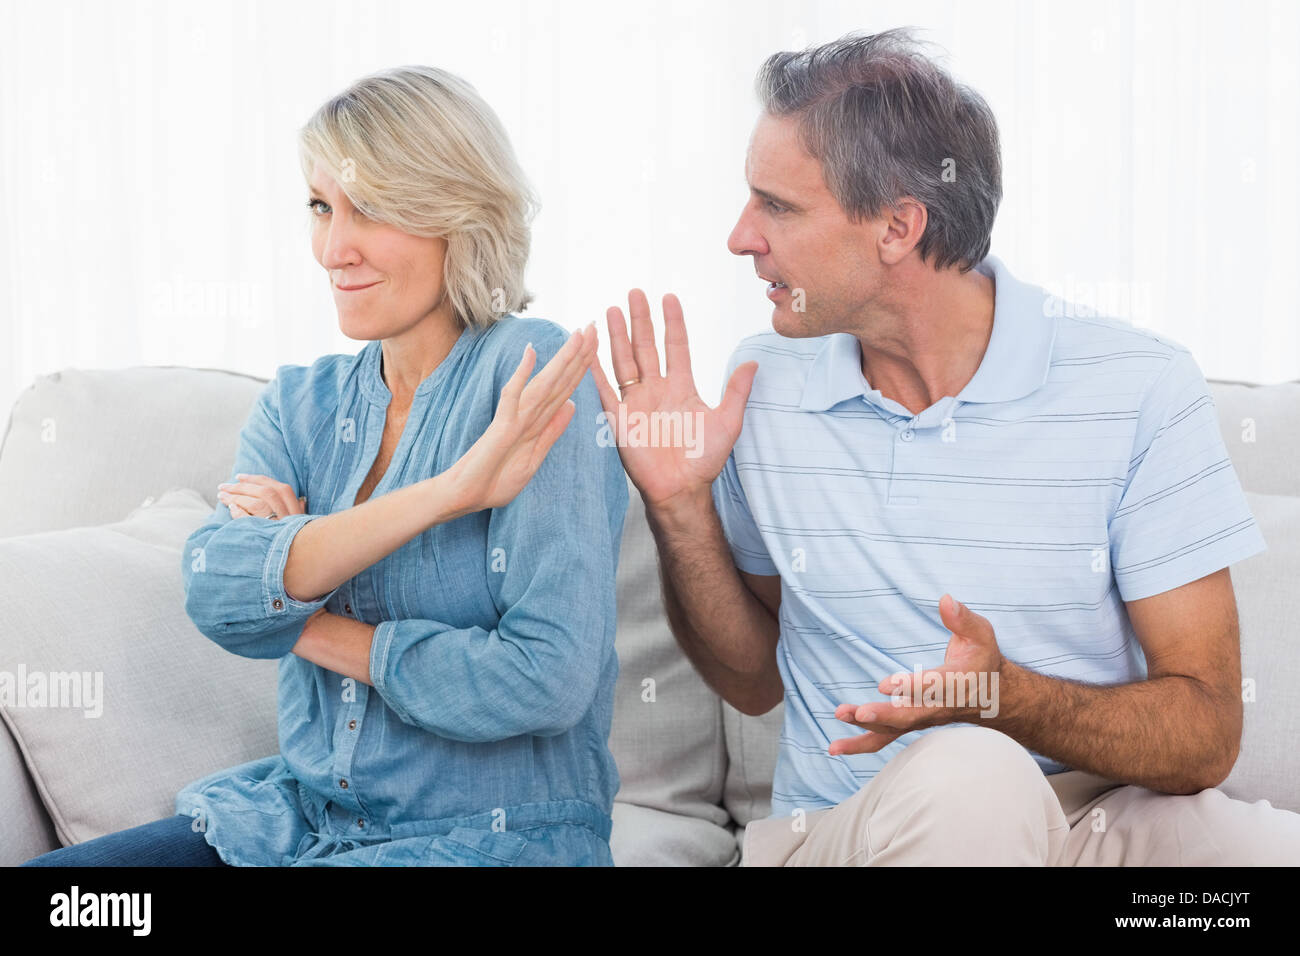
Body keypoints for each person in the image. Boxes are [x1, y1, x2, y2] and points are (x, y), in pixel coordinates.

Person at [589, 27, 1300, 865]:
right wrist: (679, 510)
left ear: (898, 226)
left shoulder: (1138, 386)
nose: (742, 238)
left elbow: (1204, 734)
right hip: (848, 833)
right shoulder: (769, 383)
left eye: (777, 206)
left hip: (1087, 821)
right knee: (973, 776)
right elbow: (751, 679)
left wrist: (1009, 699)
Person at [25, 65, 627, 868]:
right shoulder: (300, 402)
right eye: (321, 207)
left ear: (457, 214)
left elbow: (544, 679)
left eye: (368, 210)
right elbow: (214, 592)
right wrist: (449, 494)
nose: (332, 249)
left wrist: (296, 611)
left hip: (490, 838)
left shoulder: (533, 375)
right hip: (296, 819)